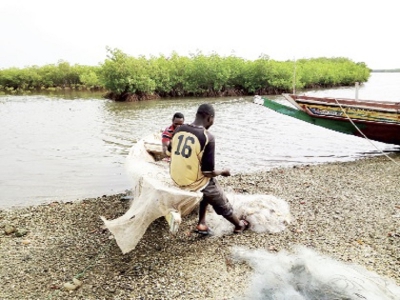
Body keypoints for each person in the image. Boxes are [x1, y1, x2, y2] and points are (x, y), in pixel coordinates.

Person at [169, 103, 249, 235]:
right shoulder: (207, 137)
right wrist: (223, 172)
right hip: (191, 181)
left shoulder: (179, 129)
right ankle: (238, 225)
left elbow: (170, 151)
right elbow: (208, 172)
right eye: (213, 119)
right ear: (209, 118)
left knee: (205, 182)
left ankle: (202, 223)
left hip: (175, 177)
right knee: (214, 190)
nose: (212, 122)